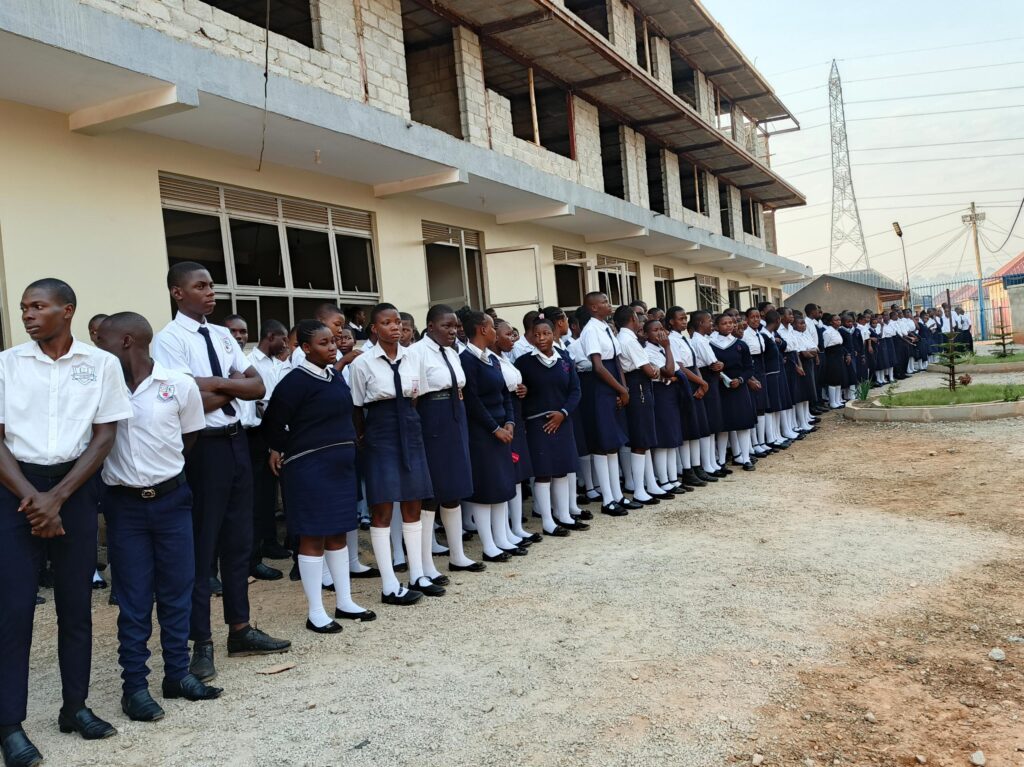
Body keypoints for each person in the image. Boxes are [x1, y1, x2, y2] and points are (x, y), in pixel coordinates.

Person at [0, 279, 132, 763]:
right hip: (16, 489)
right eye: (24, 308)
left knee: (76, 606)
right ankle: (9, 725)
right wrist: (36, 499)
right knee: (13, 610)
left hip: (72, 490)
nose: (28, 315)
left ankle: (74, 707)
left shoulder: (100, 365)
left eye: (38, 306)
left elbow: (104, 436)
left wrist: (57, 498)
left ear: (67, 310)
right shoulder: (6, 364)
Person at [152, 262, 290, 684]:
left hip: (236, 444)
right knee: (202, 547)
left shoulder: (223, 336)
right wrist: (226, 384)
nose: (211, 292)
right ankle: (201, 643)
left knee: (238, 540)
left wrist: (213, 385)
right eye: (200, 286)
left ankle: (240, 629)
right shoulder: (168, 341)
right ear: (178, 293)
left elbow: (257, 387)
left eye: (212, 285)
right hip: (202, 450)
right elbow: (185, 400)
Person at [95, 312, 222, 722]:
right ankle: (135, 687)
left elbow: (189, 437)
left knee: (176, 591)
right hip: (124, 506)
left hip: (171, 501)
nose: (100, 350)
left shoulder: (178, 384)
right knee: (133, 600)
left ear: (127, 341)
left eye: (105, 342)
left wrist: (159, 474)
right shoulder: (100, 387)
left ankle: (177, 675)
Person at [263, 320, 373, 634]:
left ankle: (345, 600)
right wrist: (282, 449)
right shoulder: (294, 382)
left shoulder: (334, 377)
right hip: (310, 469)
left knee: (338, 533)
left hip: (340, 467)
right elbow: (273, 423)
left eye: (333, 342)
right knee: (313, 536)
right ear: (306, 348)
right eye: (324, 343)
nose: (332, 347)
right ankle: (316, 612)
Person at [348, 304, 436, 604]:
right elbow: (357, 407)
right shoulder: (362, 363)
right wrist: (365, 438)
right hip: (380, 432)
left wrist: (408, 428)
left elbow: (415, 398)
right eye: (386, 323)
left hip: (409, 429)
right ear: (374, 329)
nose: (395, 327)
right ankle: (388, 584)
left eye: (397, 321)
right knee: (383, 508)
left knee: (413, 504)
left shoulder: (414, 356)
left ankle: (417, 574)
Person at [406, 305, 483, 574]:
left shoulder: (453, 351)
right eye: (446, 326)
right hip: (432, 418)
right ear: (430, 327)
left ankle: (457, 555)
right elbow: (412, 396)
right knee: (433, 491)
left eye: (455, 326)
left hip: (455, 415)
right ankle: (426, 564)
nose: (453, 331)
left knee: (454, 487)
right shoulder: (416, 352)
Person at [460, 311, 518, 561]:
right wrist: (495, 428)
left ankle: (502, 537)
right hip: (483, 432)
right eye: (493, 327)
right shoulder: (467, 360)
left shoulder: (492, 359)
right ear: (482, 330)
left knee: (502, 484)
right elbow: (472, 400)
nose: (496, 331)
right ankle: (488, 544)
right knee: (486, 487)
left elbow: (504, 392)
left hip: (502, 428)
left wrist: (509, 420)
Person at [239, 320, 291, 580]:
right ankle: (247, 559)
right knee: (247, 501)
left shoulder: (273, 364)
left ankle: (263, 546)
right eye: (283, 338)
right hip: (242, 435)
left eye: (243, 331)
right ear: (271, 337)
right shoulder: (251, 363)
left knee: (265, 497)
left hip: (265, 433)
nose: (285, 344)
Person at [578, 293, 636, 516]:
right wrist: (621, 389)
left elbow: (617, 363)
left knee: (613, 442)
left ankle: (618, 494)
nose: (608, 304)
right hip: (600, 388)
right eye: (603, 302)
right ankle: (608, 499)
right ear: (593, 308)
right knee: (603, 443)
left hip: (613, 385)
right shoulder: (591, 330)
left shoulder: (606, 328)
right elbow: (598, 366)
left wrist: (624, 389)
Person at [614, 305, 665, 504]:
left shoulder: (626, 338)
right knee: (640, 440)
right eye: (639, 318)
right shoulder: (629, 340)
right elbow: (650, 371)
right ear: (633, 319)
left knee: (644, 440)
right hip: (639, 387)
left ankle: (650, 484)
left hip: (639, 385)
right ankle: (638, 489)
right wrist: (657, 372)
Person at [491, 319, 533, 555]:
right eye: (508, 334)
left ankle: (516, 526)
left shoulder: (506, 358)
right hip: (502, 418)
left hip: (514, 413)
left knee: (517, 473)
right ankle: (505, 528)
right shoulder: (490, 360)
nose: (513, 338)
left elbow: (515, 382)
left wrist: (523, 388)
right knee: (507, 472)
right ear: (494, 336)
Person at [709, 314, 756, 470]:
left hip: (739, 387)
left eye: (731, 323)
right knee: (723, 425)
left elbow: (749, 368)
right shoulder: (710, 344)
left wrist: (741, 380)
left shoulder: (741, 345)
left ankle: (746, 457)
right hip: (721, 387)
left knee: (743, 423)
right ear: (716, 326)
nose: (729, 326)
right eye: (724, 323)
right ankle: (721, 461)